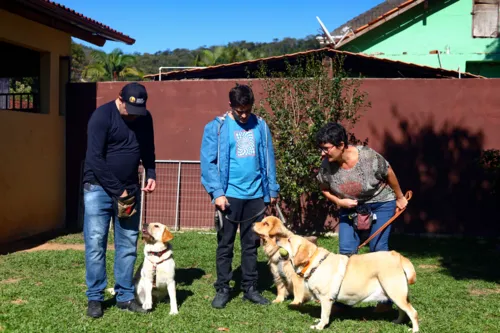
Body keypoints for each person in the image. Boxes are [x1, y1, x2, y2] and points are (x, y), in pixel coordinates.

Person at [200, 84, 280, 309]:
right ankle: (223, 288)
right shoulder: (217, 128)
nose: (244, 115)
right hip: (229, 196)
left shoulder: (261, 126)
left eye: (247, 109)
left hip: (255, 195)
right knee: (225, 244)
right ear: (230, 106)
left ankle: (250, 288)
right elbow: (208, 163)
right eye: (239, 110)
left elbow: (268, 158)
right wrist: (217, 193)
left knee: (251, 244)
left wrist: (271, 190)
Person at [315, 122, 407, 312]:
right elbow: (324, 188)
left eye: (326, 148)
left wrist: (399, 197)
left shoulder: (367, 156)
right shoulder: (327, 166)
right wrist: (338, 202)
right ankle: (342, 300)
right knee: (346, 253)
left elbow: (388, 172)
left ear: (341, 145)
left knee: (378, 251)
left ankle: (386, 301)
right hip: (350, 208)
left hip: (380, 203)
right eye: (321, 149)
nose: (322, 154)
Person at [82, 82, 157, 318]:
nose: (134, 118)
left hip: (129, 190)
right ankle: (95, 297)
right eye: (130, 111)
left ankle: (124, 296)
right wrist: (118, 191)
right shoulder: (101, 116)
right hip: (98, 189)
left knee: (127, 244)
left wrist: (151, 173)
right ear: (120, 99)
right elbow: (94, 158)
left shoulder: (144, 118)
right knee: (96, 244)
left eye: (139, 113)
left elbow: (148, 148)